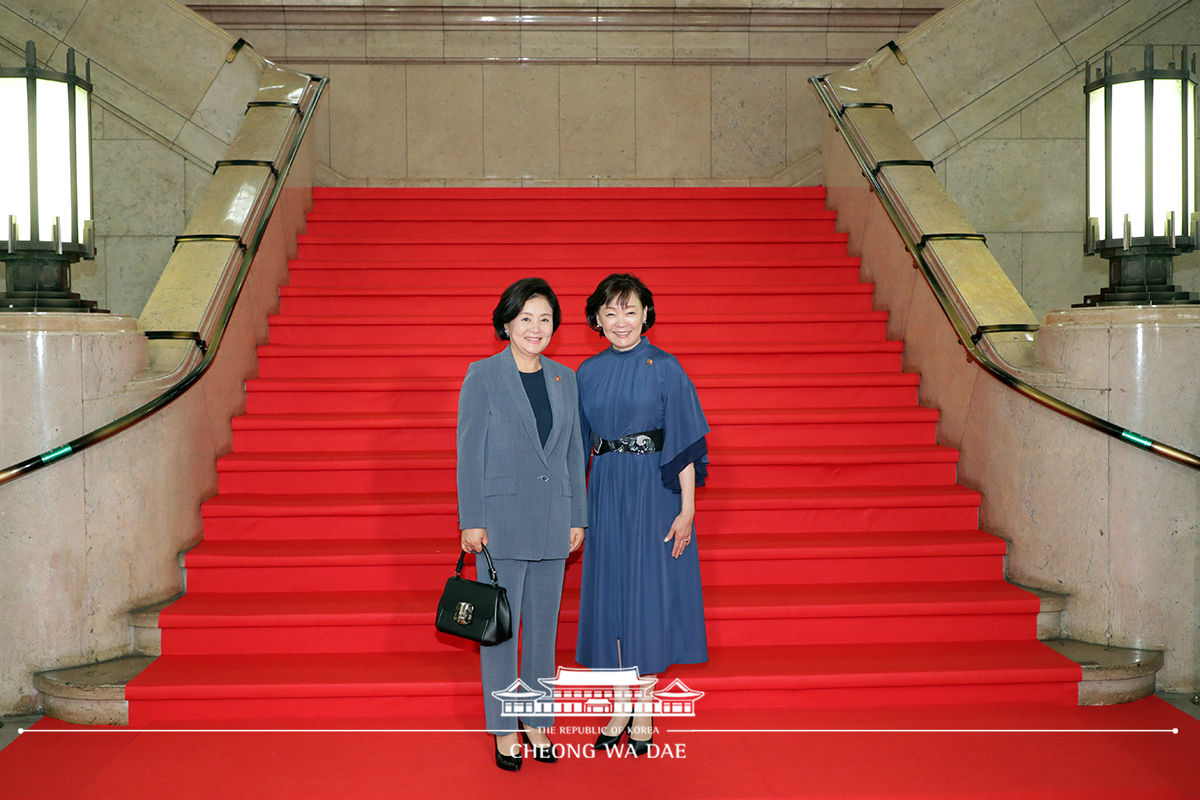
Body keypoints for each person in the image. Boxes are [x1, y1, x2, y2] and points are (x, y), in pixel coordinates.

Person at [574, 272, 710, 756]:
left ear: (646, 314)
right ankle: (617, 706)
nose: (621, 321)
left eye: (630, 310)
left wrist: (687, 509)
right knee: (611, 594)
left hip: (654, 491)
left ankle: (645, 711)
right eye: (610, 312)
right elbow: (575, 449)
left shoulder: (667, 367)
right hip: (606, 490)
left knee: (648, 596)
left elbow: (685, 443)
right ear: (596, 319)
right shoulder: (586, 373)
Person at [456, 277, 587, 771]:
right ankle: (504, 727)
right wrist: (472, 519)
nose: (536, 328)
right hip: (501, 524)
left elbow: (574, 452)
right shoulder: (483, 375)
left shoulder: (564, 377)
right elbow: (469, 451)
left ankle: (536, 720)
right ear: (507, 323)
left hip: (555, 520)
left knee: (544, 631)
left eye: (545, 319)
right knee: (500, 631)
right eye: (526, 318)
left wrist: (579, 516)